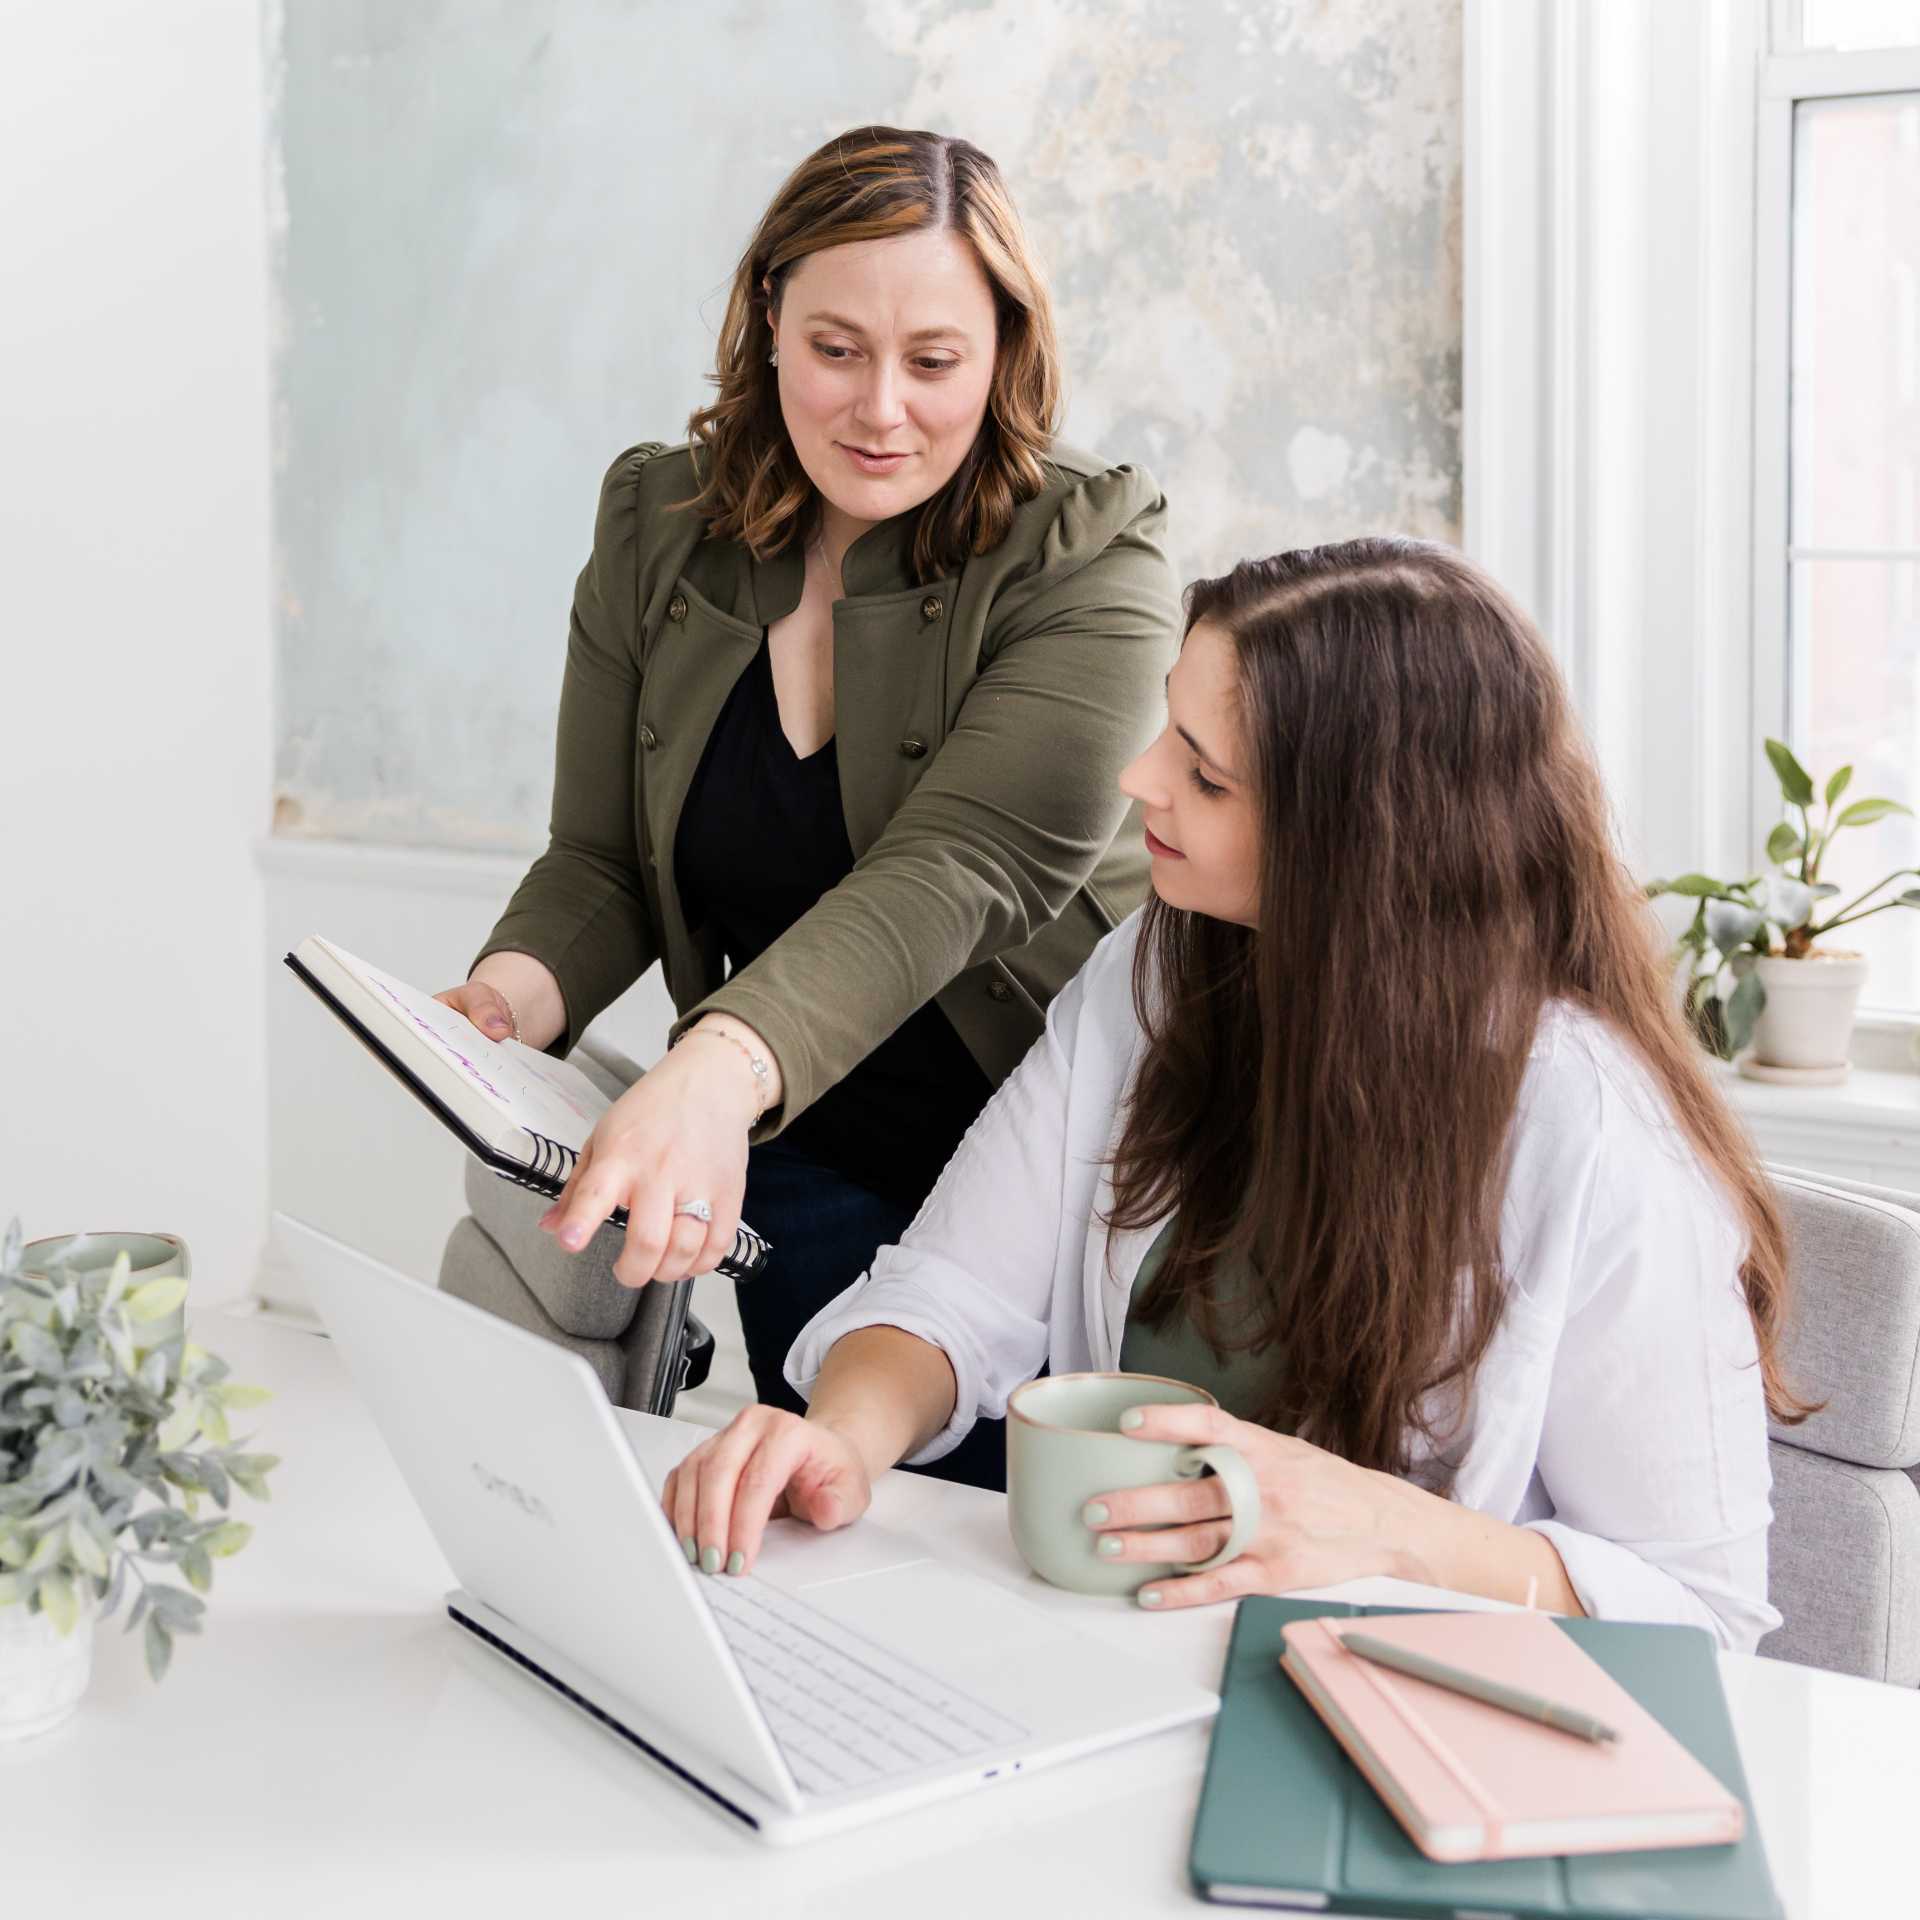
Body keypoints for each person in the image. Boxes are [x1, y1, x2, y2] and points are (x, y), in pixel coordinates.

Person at [661, 538, 1814, 1649]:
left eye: (1205, 775)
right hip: (1126, 1659)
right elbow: (952, 1295)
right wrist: (841, 1439)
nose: (1139, 778)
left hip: (1396, 1724)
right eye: (1170, 724)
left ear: (1358, 845)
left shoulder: (1596, 1136)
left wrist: (1387, 1531)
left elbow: (1702, 1615)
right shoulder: (1156, 975)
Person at [435, 127, 1178, 1488]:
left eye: (935, 362)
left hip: (1062, 1189)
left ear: (1006, 348)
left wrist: (710, 1075)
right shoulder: (659, 525)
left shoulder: (1091, 551)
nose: (880, 407)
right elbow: (599, 858)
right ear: (768, 314)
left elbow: (964, 865)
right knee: (844, 1555)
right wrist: (501, 1003)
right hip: (806, 1162)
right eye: (836, 349)